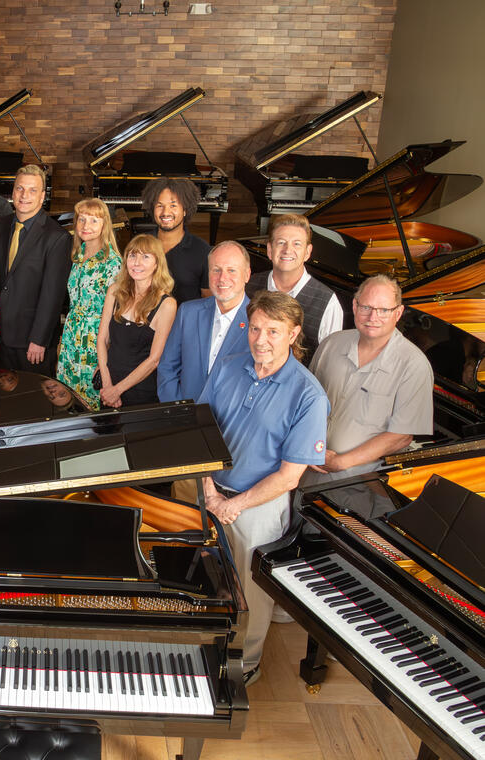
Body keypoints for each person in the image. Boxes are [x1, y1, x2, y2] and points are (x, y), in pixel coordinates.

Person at [198, 291, 329, 685]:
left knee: (251, 592)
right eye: (255, 328)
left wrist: (232, 504)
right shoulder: (228, 366)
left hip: (259, 508)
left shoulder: (309, 395)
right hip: (210, 492)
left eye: (273, 330)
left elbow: (290, 476)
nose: (261, 339)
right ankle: (208, 640)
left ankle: (245, 662)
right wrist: (209, 492)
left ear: (293, 334)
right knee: (209, 575)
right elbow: (201, 430)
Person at [304, 274, 433, 492]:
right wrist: (304, 447)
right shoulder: (331, 343)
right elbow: (304, 401)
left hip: (360, 483)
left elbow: (401, 436)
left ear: (398, 313)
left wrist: (341, 462)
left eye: (384, 310)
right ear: (354, 306)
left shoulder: (414, 365)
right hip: (306, 467)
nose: (373, 316)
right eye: (366, 307)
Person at [0, 164, 71, 375]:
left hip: (32, 343)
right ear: (13, 191)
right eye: (20, 189)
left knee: (33, 401)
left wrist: (39, 339)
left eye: (33, 190)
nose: (25, 195)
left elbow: (52, 296)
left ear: (43, 196)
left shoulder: (57, 237)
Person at [157, 241, 252, 403]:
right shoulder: (187, 312)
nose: (222, 278)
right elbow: (167, 367)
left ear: (247, 275)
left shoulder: (258, 323)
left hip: (229, 424)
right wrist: (177, 408)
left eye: (231, 270)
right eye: (216, 270)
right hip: (185, 417)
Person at [246, 213, 343, 360]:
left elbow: (329, 362)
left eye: (297, 243)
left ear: (307, 252)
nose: (287, 249)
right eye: (281, 242)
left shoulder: (328, 302)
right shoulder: (248, 287)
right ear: (270, 250)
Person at [56, 198, 123, 409]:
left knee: (90, 402)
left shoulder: (113, 263)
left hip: (95, 341)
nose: (86, 226)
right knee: (68, 398)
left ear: (104, 225)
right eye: (82, 220)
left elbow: (117, 314)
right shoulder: (77, 255)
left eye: (94, 221)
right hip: (71, 338)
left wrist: (106, 360)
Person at [96, 235, 177, 408]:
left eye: (145, 256)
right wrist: (107, 384)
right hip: (107, 384)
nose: (136, 263)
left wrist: (117, 390)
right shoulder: (114, 291)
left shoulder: (167, 304)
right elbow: (102, 340)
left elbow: (154, 360)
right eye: (132, 255)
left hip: (141, 390)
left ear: (157, 264)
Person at [140, 176, 210, 304]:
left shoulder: (202, 250)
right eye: (159, 205)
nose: (165, 212)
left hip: (186, 322)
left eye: (173, 205)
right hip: (145, 321)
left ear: (185, 210)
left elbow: (208, 299)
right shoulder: (141, 244)